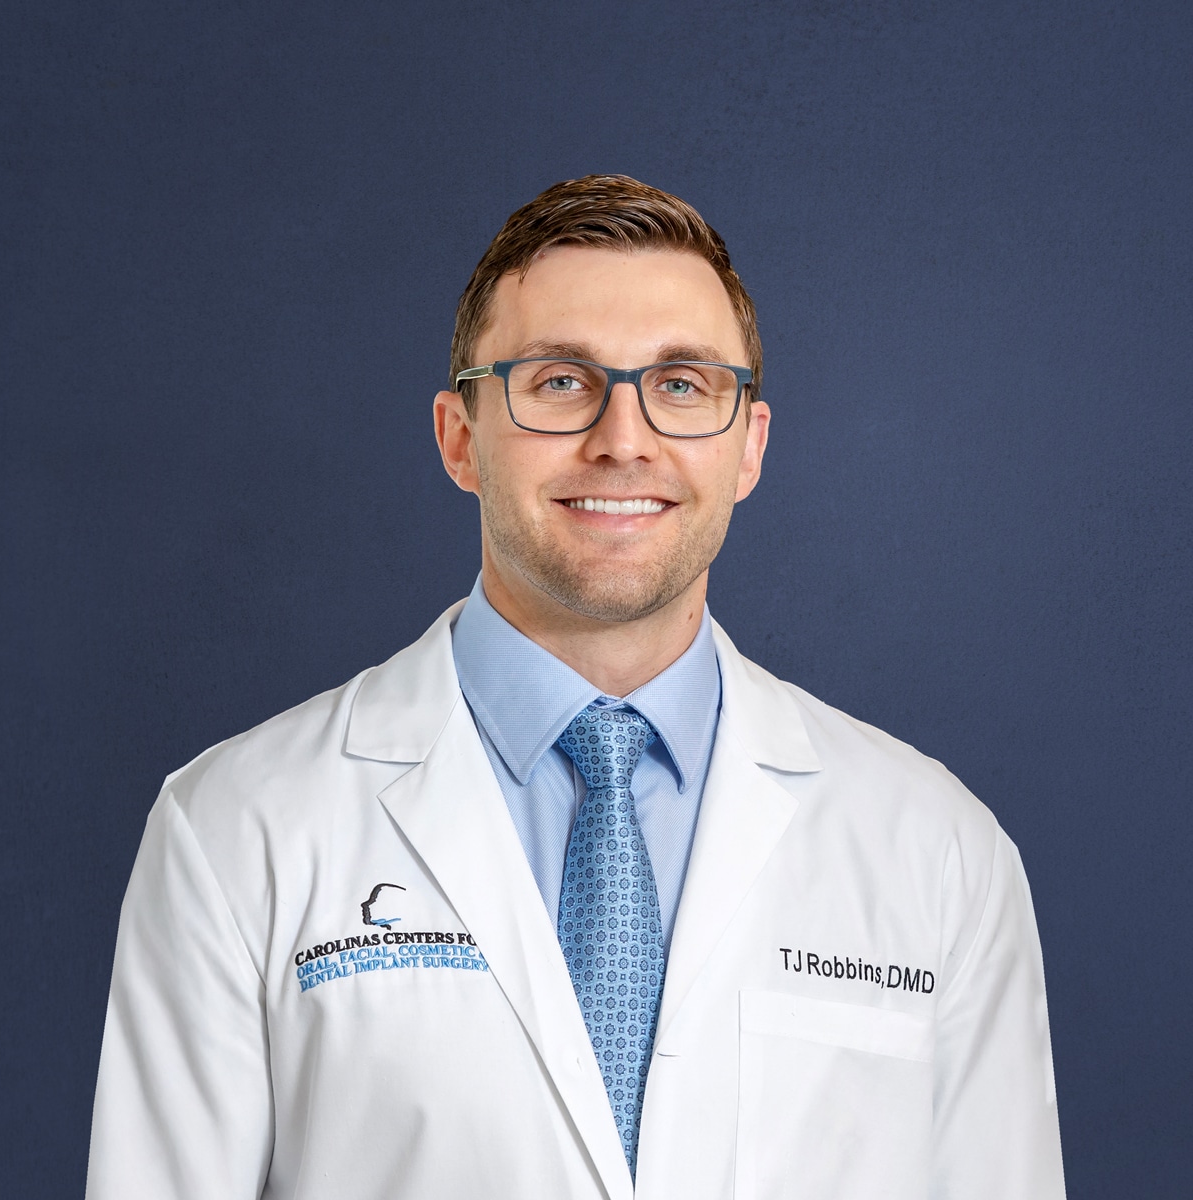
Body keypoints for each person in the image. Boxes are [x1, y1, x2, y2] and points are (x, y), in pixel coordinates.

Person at [86, 175, 1066, 1200]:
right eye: (559, 382)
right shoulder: (237, 832)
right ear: (460, 437)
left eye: (682, 385)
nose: (624, 439)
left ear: (749, 449)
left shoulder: (939, 852)